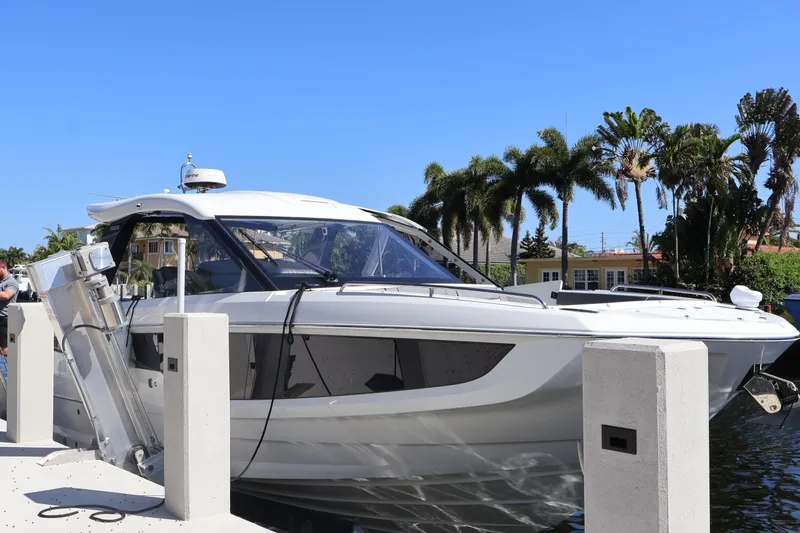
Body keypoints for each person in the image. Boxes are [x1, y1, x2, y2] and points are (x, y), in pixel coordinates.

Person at [0, 259, 20, 356]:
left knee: (5, 350)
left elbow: (6, 295)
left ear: (3, 268)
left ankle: (12, 364)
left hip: (4, 319)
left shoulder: (11, 282)